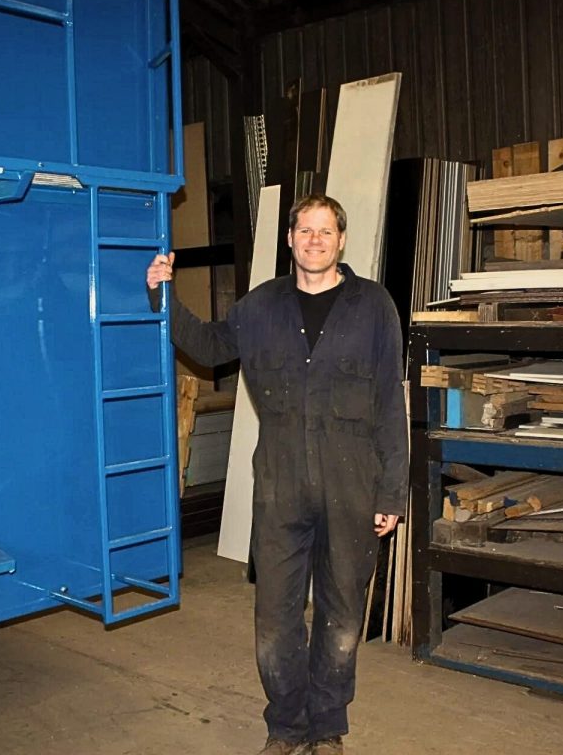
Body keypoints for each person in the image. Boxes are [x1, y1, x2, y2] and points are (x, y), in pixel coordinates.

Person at [146, 193, 409, 755]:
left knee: (341, 617)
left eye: (326, 231)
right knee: (275, 618)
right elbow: (210, 347)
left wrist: (392, 491)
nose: (315, 240)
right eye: (305, 230)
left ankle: (327, 727)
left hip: (352, 484)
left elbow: (390, 403)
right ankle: (286, 727)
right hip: (281, 487)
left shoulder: (373, 307)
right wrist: (162, 294)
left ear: (341, 240)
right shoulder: (260, 307)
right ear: (290, 239)